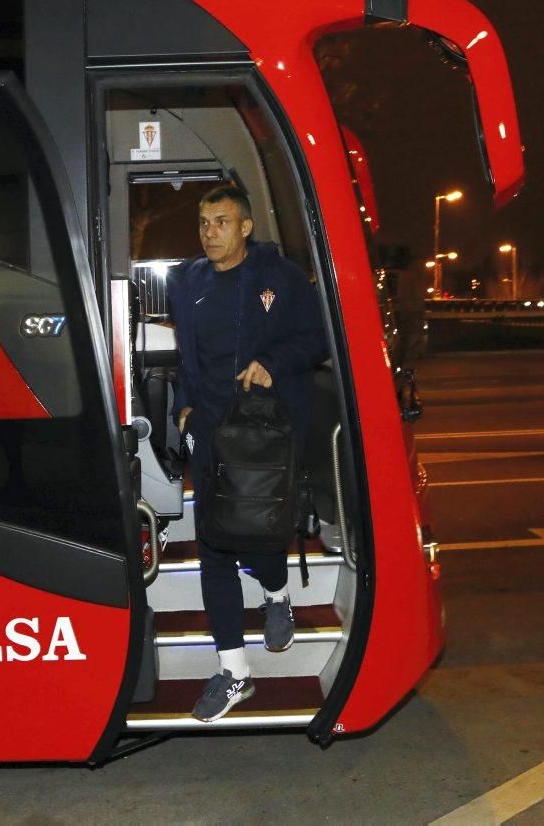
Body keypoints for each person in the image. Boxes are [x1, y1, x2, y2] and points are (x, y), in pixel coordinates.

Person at [167, 184, 328, 722]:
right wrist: (185, 407)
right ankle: (234, 671)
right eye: (203, 223)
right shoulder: (185, 281)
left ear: (245, 227)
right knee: (213, 545)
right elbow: (187, 359)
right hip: (211, 429)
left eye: (220, 221)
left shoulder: (279, 278)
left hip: (264, 430)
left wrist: (272, 364)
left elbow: (316, 340)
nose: (209, 232)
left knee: (258, 531)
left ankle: (277, 591)